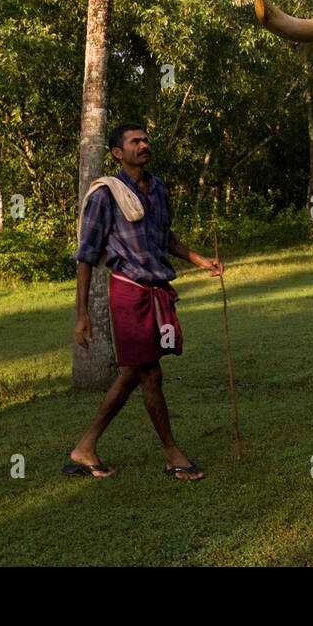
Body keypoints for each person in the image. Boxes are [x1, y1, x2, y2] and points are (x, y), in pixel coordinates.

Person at [65, 123, 223, 480]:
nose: (144, 145)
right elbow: (86, 255)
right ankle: (173, 453)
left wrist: (199, 260)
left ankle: (86, 447)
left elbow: (165, 237)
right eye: (135, 141)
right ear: (118, 153)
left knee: (136, 373)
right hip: (128, 292)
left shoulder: (158, 189)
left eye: (146, 139)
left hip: (157, 292)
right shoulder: (106, 195)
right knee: (148, 372)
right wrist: (82, 313)